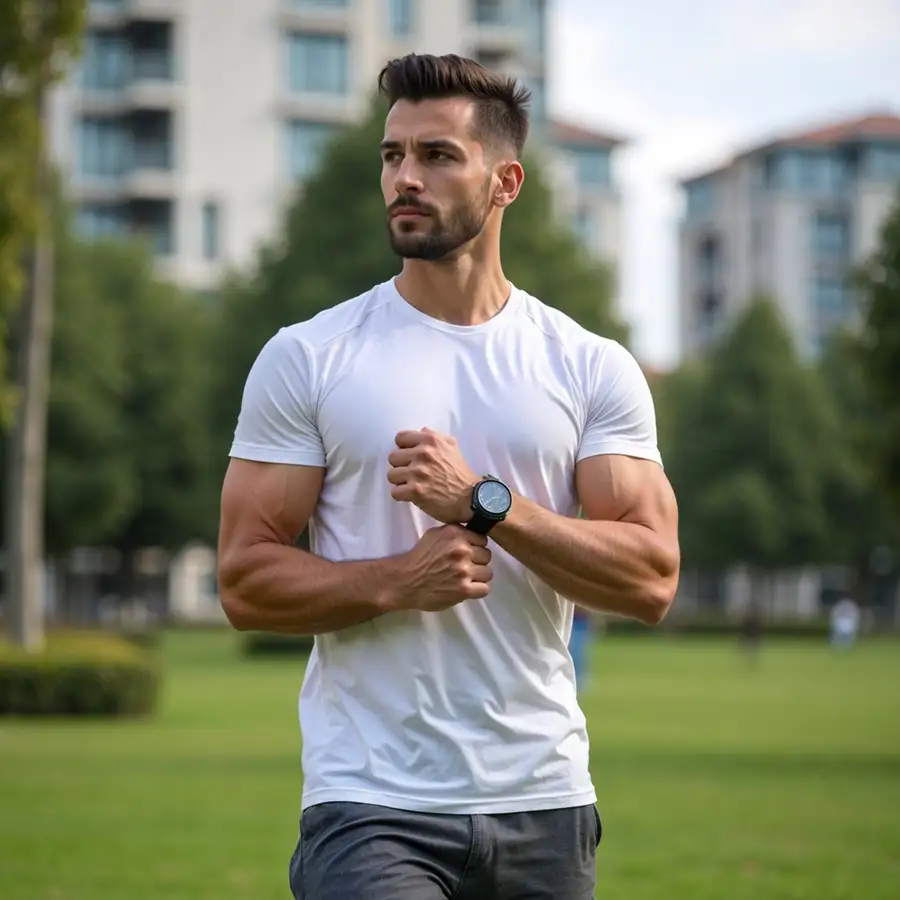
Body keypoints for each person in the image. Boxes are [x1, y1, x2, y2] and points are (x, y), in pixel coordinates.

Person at [217, 53, 680, 900]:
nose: (405, 178)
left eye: (436, 156)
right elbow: (245, 581)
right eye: (393, 156)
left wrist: (487, 506)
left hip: (545, 800)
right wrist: (399, 578)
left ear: (505, 182)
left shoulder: (589, 367)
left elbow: (651, 578)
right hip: (371, 804)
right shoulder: (308, 357)